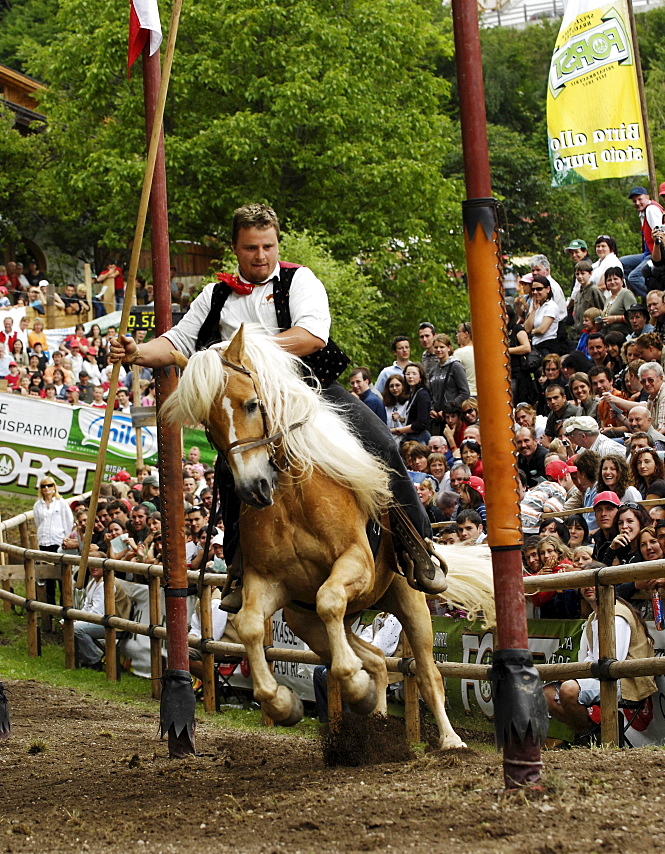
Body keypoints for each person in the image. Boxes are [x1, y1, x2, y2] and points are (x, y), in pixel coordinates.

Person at [109, 204, 445, 605]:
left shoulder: (298, 280)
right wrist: (137, 351)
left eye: (268, 245)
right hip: (250, 407)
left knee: (383, 443)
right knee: (230, 468)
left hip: (310, 392)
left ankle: (418, 546)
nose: (261, 255)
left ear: (276, 243)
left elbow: (311, 336)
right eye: (251, 247)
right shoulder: (216, 295)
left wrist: (246, 353)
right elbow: (177, 342)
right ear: (235, 248)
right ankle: (238, 569)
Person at [543, 567, 657, 736]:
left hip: (627, 682)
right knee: (546, 694)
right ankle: (590, 733)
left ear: (607, 586)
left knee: (568, 690)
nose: (589, 587)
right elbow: (590, 657)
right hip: (601, 673)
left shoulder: (617, 615)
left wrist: (574, 677)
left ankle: (593, 736)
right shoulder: (594, 617)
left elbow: (613, 662)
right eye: (585, 584)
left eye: (594, 584)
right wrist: (575, 675)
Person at [32, 478, 75, 611]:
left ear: (54, 487)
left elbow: (68, 521)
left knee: (62, 575)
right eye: (43, 486)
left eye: (49, 485)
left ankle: (65, 606)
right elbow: (38, 521)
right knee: (47, 576)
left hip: (58, 542)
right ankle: (49, 608)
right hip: (44, 542)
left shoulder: (61, 503)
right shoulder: (38, 505)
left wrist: (66, 538)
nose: (47, 488)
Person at [620, 187, 665, 301]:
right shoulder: (644, 212)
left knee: (634, 277)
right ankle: (635, 297)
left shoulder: (651, 210)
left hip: (655, 253)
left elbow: (659, 233)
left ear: (647, 197)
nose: (637, 203)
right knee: (621, 263)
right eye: (634, 201)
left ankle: (655, 299)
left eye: (640, 199)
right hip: (647, 252)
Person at [428, 334, 469, 434]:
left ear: (449, 348)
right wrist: (432, 409)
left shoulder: (456, 366)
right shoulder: (433, 370)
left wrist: (448, 410)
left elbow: (464, 392)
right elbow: (431, 393)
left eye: (442, 347)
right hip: (437, 419)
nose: (438, 350)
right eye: (436, 347)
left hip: (452, 417)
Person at [599, 267, 636, 338]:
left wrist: (615, 319)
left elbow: (633, 316)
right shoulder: (608, 299)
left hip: (623, 336)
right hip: (609, 336)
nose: (612, 282)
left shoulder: (626, 294)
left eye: (615, 279)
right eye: (609, 280)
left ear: (622, 280)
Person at [453, 321, 476, 394]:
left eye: (458, 332)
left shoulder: (459, 353)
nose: (457, 335)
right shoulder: (480, 351)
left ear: (466, 334)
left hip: (466, 394)